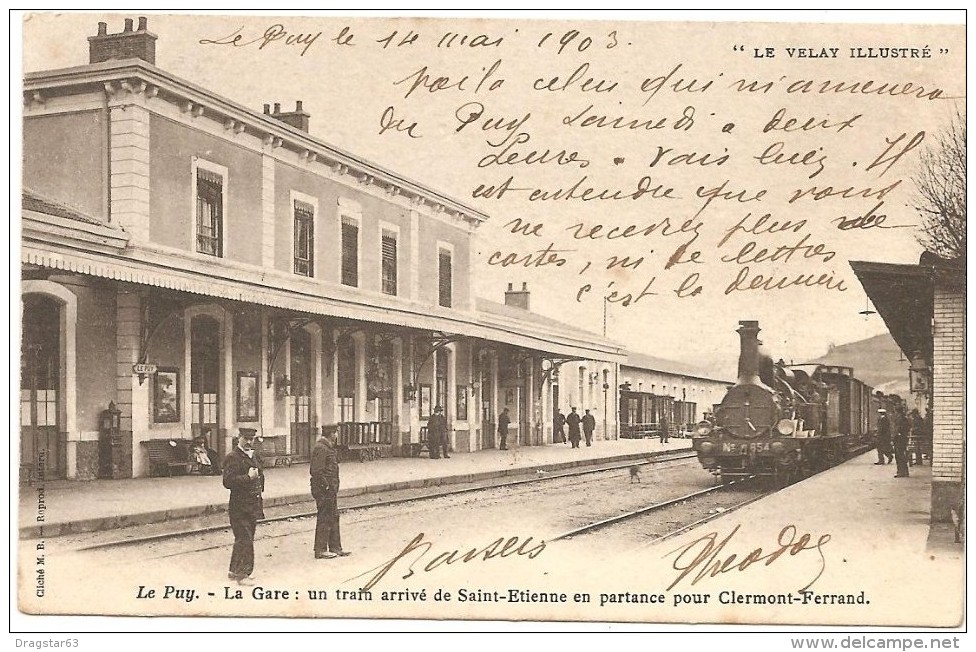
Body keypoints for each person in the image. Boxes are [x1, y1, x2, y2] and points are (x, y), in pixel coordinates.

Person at [222, 428, 265, 585]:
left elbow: (260, 475)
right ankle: (243, 574)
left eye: (251, 439)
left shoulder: (253, 455)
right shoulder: (233, 457)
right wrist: (248, 477)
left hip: (252, 504)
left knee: (245, 538)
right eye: (246, 438)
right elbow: (228, 482)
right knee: (245, 539)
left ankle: (234, 570)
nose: (249, 442)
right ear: (238, 438)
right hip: (239, 506)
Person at [309, 426, 351, 560]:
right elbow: (316, 471)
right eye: (336, 432)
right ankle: (320, 550)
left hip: (330, 490)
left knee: (333, 516)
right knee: (325, 517)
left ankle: (336, 548)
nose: (337, 435)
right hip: (324, 490)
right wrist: (326, 487)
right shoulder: (321, 448)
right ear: (331, 434)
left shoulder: (327, 447)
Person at [892, 404, 910, 478]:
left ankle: (901, 472)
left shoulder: (900, 418)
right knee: (901, 455)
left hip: (899, 439)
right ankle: (904, 472)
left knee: (899, 456)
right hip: (902, 439)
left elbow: (898, 429)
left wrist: (895, 437)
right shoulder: (903, 418)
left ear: (897, 411)